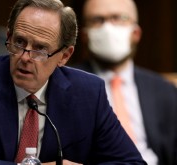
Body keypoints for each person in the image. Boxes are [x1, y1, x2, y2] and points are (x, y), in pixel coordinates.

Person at [0, 0, 146, 164]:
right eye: (19, 42)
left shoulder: (88, 93)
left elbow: (132, 162)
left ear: (64, 56)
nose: (25, 57)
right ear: (9, 36)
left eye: (40, 49)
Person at [73, 0, 177, 164]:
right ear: (85, 35)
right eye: (97, 20)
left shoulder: (164, 90)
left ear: (136, 33)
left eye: (118, 18)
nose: (108, 28)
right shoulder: (67, 85)